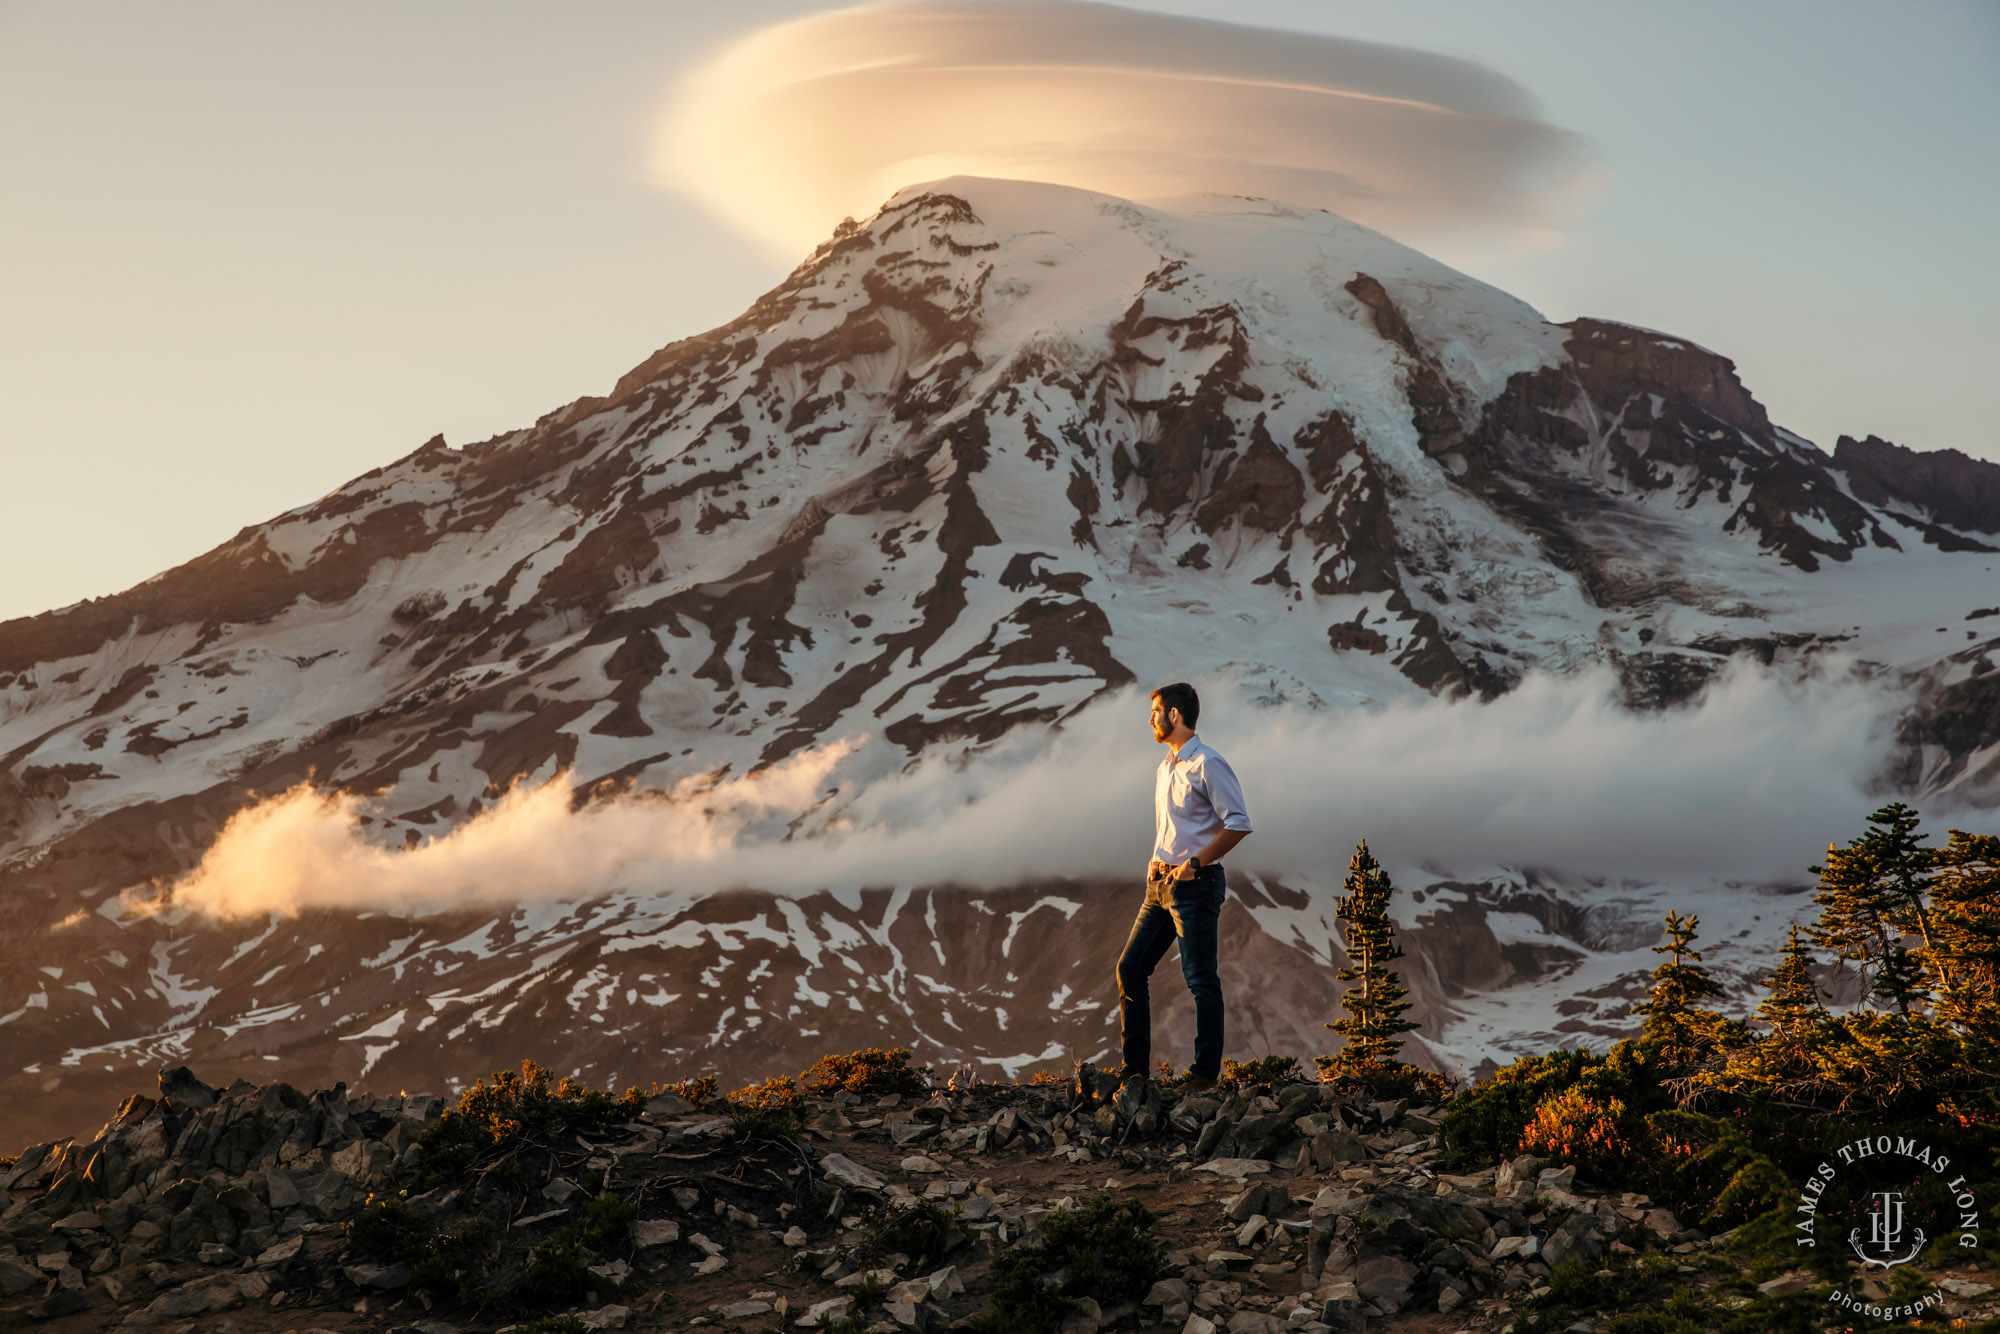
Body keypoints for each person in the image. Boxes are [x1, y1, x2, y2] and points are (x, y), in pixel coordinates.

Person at [1115, 681, 1253, 1091]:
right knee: (1130, 968)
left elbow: (1239, 822)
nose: (1150, 719)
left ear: (1174, 715)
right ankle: (1134, 1072)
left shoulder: (1208, 763)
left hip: (1196, 884)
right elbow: (1173, 827)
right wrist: (1156, 863)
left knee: (1200, 979)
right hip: (1158, 885)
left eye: (1155, 711)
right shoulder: (1166, 767)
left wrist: (1195, 862)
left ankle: (1204, 1075)